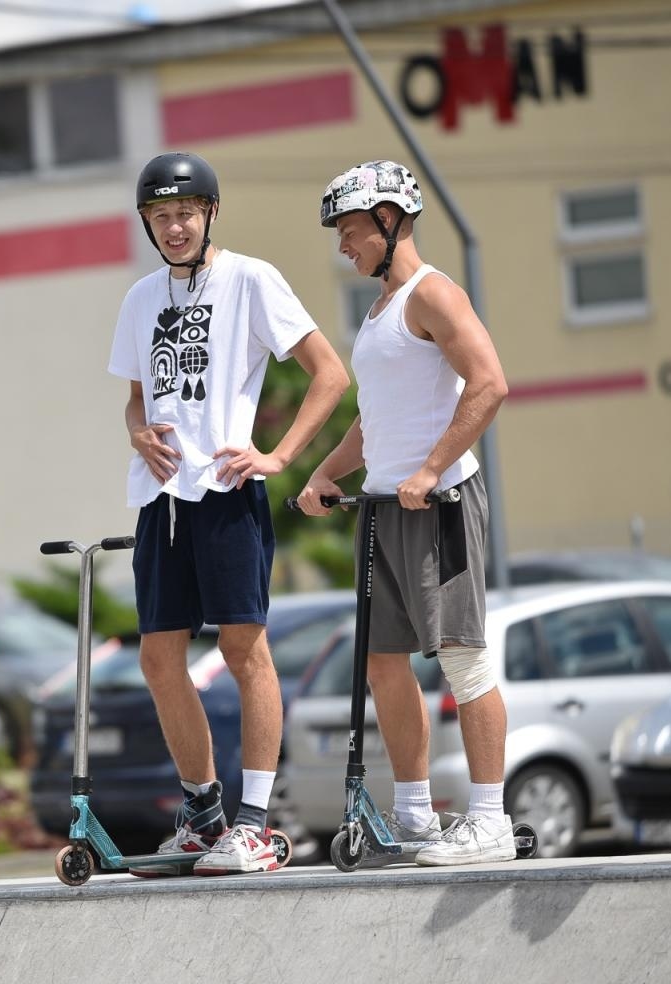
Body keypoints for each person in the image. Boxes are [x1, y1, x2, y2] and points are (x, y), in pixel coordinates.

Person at [109, 151, 348, 875]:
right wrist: (136, 431)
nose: (174, 226)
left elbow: (329, 374)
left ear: (211, 212)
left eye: (185, 212)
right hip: (162, 499)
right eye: (160, 216)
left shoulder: (251, 278)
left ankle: (254, 823)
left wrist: (277, 457)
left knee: (245, 651)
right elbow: (134, 396)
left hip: (225, 492)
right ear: (148, 223)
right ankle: (204, 811)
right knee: (158, 658)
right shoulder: (141, 297)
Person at [296, 160, 514, 866]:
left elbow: (489, 384)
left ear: (389, 221)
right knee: (384, 664)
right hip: (385, 507)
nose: (343, 246)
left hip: (439, 502)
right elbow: (374, 419)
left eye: (352, 231)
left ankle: (490, 820)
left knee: (463, 660)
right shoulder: (380, 310)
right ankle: (417, 815)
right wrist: (324, 474)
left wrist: (429, 469)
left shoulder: (434, 294)